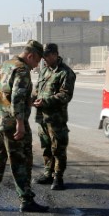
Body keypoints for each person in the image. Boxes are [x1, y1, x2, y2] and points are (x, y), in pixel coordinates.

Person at [0, 40, 49, 213]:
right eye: (37, 61)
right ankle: (26, 200)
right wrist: (20, 124)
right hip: (13, 126)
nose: (36, 66)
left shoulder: (1, 67)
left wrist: (29, 102)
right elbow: (16, 99)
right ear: (31, 56)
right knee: (21, 162)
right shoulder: (21, 70)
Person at [31, 43, 77, 190]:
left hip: (56, 119)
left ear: (55, 54)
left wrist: (45, 101)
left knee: (58, 148)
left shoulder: (66, 73)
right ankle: (47, 173)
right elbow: (37, 89)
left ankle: (58, 177)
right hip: (42, 117)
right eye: (43, 56)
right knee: (46, 147)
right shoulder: (44, 71)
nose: (44, 59)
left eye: (46, 56)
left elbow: (65, 95)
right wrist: (32, 99)